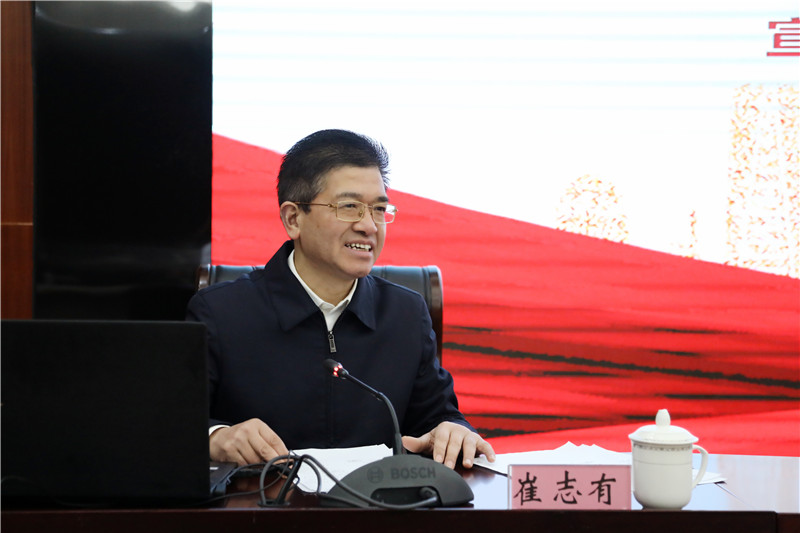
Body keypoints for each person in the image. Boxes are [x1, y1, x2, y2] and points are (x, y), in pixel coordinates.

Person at [187, 129, 495, 470]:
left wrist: (453, 431)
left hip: (380, 502)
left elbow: (439, 418)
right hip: (262, 501)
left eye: (379, 209)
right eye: (349, 207)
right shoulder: (220, 313)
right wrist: (216, 436)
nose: (369, 226)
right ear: (293, 219)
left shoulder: (406, 314)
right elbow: (171, 426)